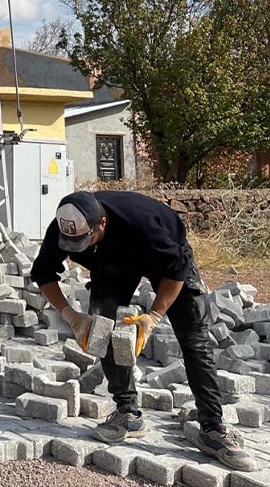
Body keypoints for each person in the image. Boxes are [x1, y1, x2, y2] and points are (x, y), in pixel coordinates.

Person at [30, 191, 255, 472]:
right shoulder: (65, 225)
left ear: (101, 224)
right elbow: (43, 274)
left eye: (84, 241)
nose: (77, 247)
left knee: (194, 339)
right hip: (112, 266)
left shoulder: (143, 225)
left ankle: (213, 428)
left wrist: (154, 316)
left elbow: (177, 269)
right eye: (72, 244)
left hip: (164, 262)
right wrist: (71, 316)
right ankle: (127, 413)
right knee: (103, 327)